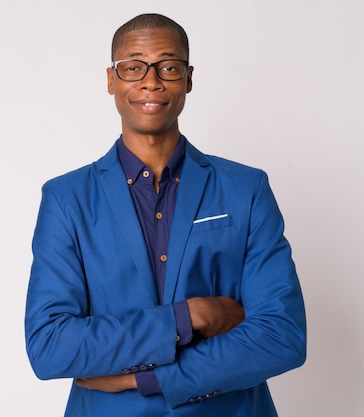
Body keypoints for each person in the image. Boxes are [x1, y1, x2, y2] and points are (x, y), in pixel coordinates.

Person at [24, 13, 306, 417]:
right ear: (111, 80)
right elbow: (51, 347)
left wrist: (147, 379)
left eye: (169, 67)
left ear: (189, 79)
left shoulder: (246, 188)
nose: (151, 81)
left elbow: (282, 336)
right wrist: (189, 316)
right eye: (133, 67)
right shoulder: (66, 198)